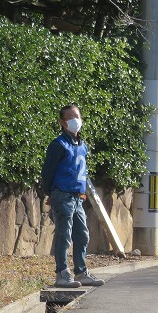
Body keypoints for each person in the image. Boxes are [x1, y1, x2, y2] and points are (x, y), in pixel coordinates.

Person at [41, 104, 105, 288]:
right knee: (64, 235)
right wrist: (50, 193)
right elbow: (48, 172)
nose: (75, 121)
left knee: (82, 235)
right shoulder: (58, 145)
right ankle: (62, 274)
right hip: (62, 195)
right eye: (70, 118)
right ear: (62, 122)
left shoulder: (82, 145)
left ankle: (81, 272)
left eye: (77, 116)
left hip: (77, 197)